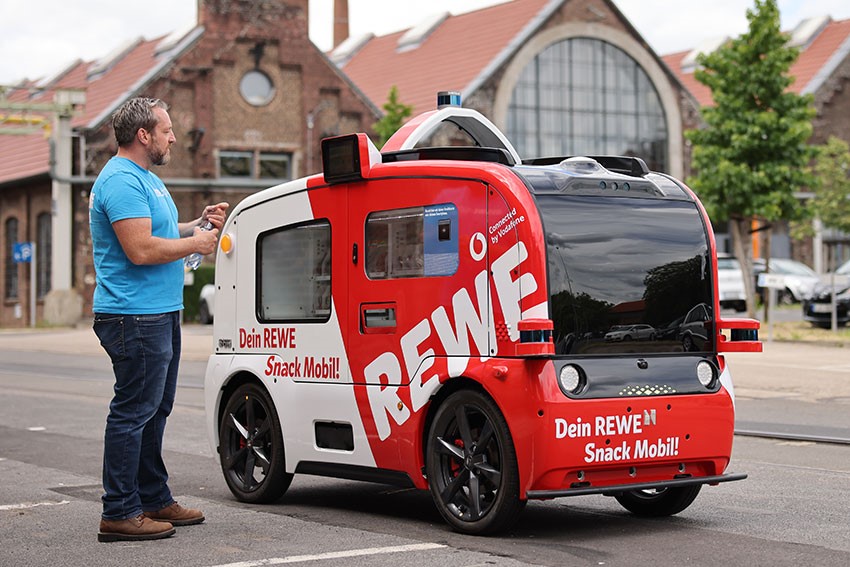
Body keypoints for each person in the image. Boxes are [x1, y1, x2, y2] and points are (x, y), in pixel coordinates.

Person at [89, 97, 229, 542]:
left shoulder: (145, 180)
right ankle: (120, 510)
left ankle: (152, 497)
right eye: (166, 130)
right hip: (134, 315)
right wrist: (198, 246)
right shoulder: (121, 182)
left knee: (155, 409)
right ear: (143, 135)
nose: (173, 137)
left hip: (158, 312)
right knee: (133, 412)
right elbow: (142, 249)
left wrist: (196, 225)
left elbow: (162, 234)